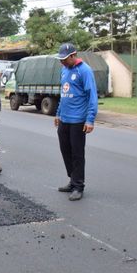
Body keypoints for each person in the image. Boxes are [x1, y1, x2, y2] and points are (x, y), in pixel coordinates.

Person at [54, 43, 98, 201]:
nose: (62, 62)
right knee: (65, 151)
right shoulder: (64, 70)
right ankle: (72, 180)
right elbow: (63, 93)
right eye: (60, 59)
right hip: (64, 119)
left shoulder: (84, 70)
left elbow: (92, 95)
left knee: (77, 154)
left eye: (64, 59)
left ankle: (79, 186)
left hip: (78, 120)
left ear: (73, 55)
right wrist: (58, 113)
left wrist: (90, 119)